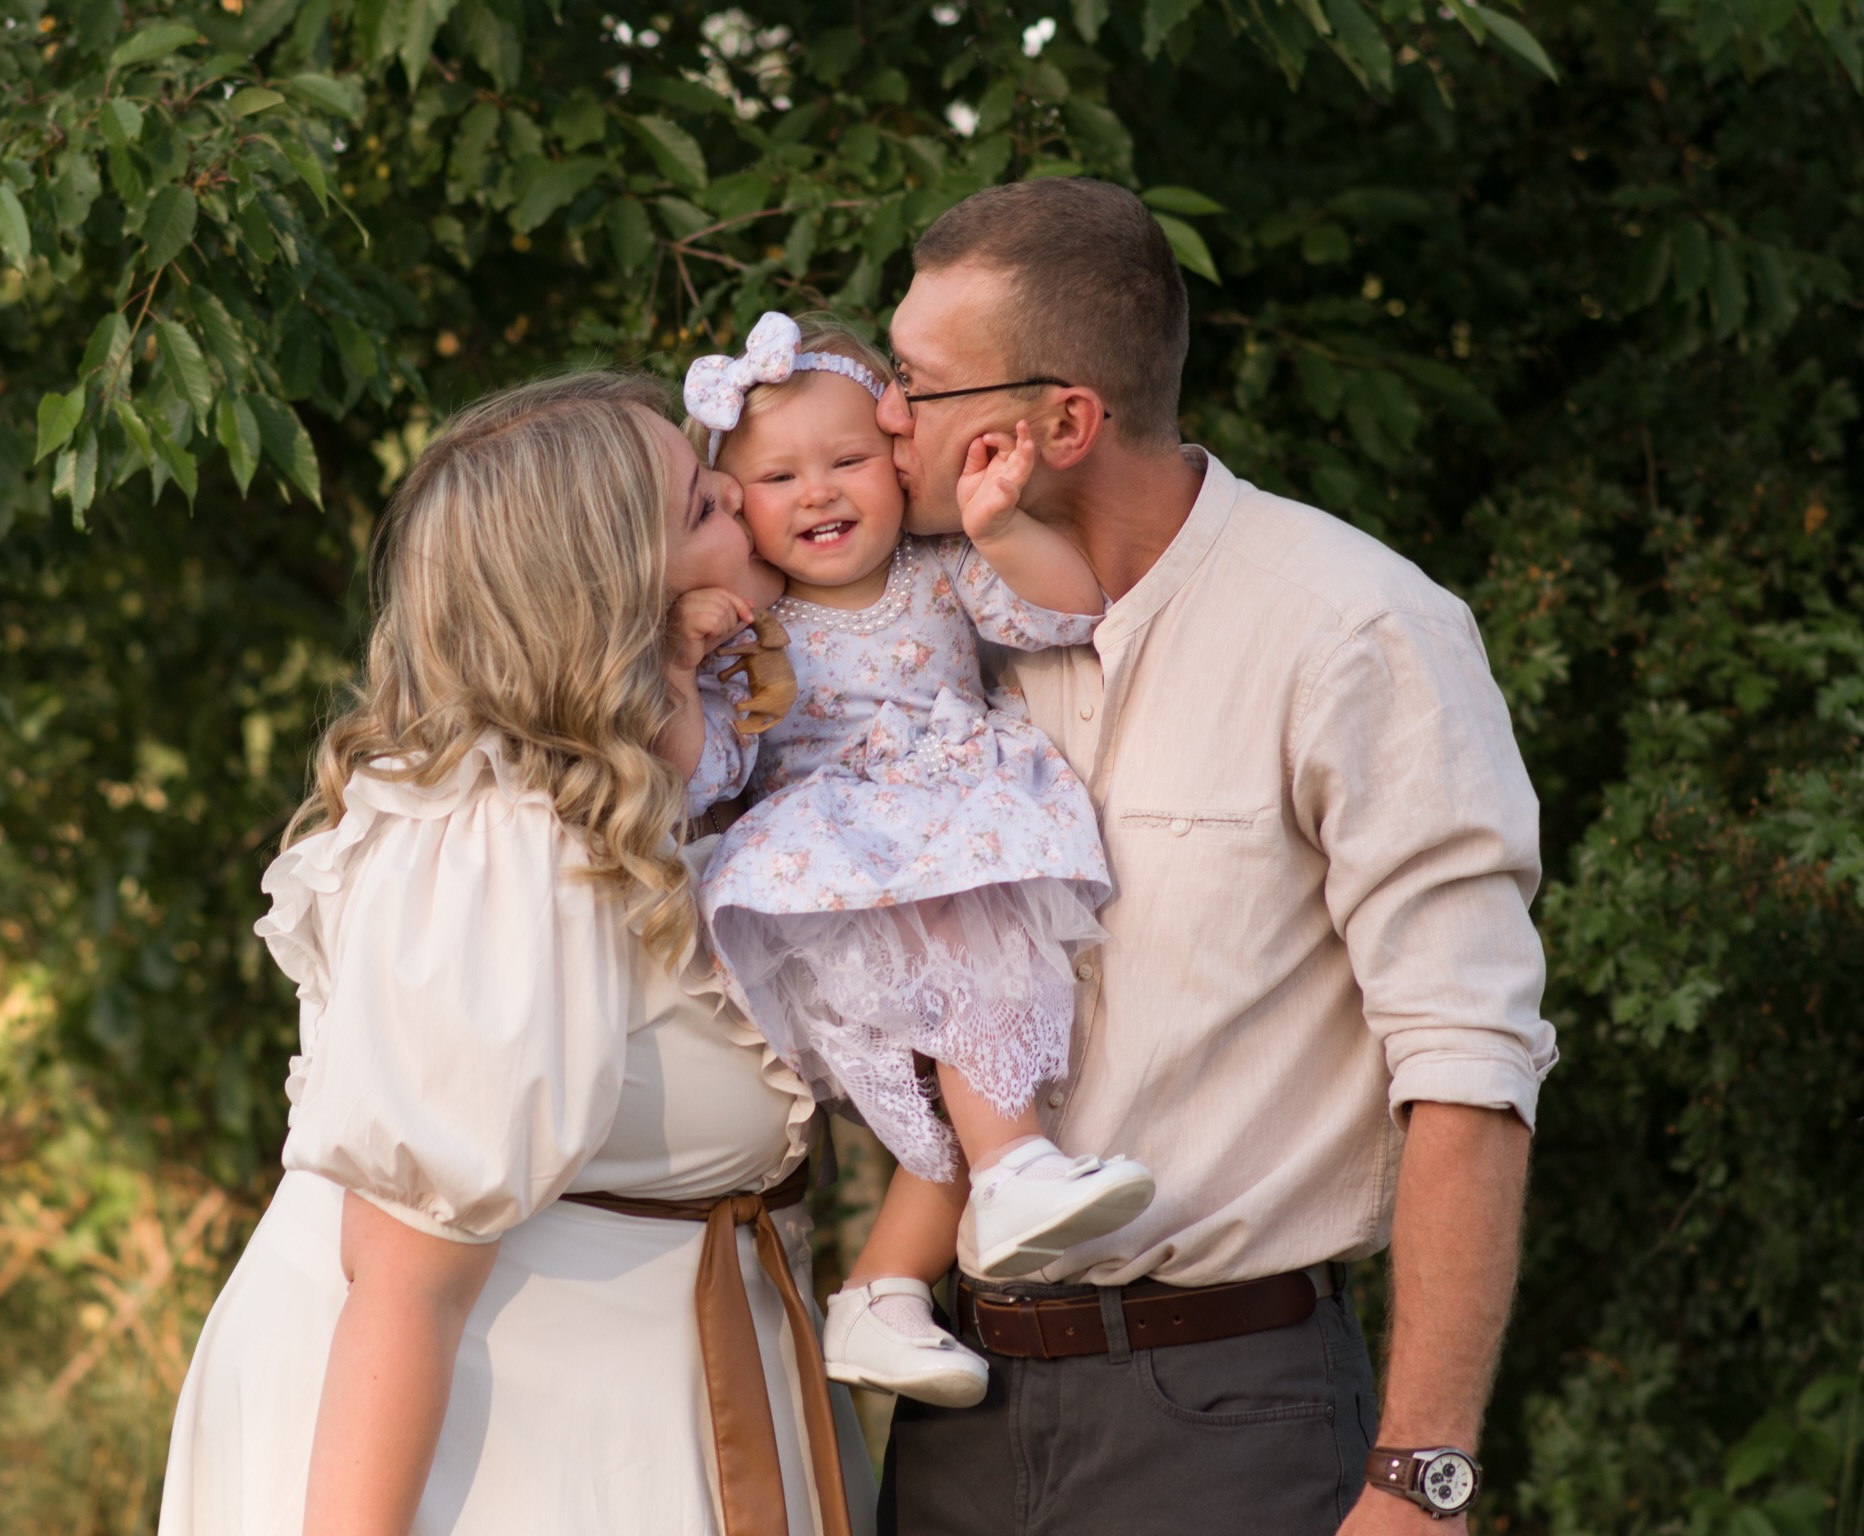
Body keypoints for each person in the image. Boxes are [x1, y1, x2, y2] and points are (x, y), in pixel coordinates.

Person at [871, 178, 1559, 1534]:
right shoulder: (931, 637)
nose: (885, 415)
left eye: (917, 383)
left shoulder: (1354, 631)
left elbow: (1468, 1067)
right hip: (960, 1412)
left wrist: (1422, 1481)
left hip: (1229, 1413)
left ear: (1059, 421)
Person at [155, 371, 876, 1536]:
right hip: (474, 1442)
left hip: (637, 1395)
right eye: (702, 506)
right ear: (607, 596)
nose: (747, 502)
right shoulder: (501, 848)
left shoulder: (662, 762)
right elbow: (402, 1281)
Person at [662, 311, 1155, 1414]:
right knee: (975, 1058)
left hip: (955, 836)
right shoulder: (754, 623)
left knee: (964, 1080)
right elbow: (701, 770)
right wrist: (688, 649)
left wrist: (1001, 522)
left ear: (896, 460)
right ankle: (1015, 1171)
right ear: (737, 511)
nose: (821, 493)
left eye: (847, 461)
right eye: (779, 477)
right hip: (843, 865)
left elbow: (1073, 608)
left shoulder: (942, 570)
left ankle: (881, 1293)